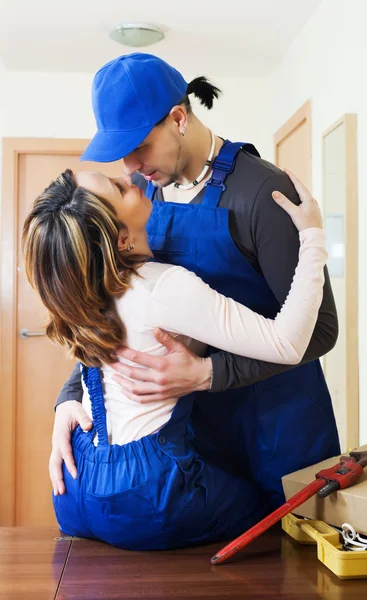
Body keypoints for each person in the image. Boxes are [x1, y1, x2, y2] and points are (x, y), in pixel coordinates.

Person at [53, 53, 340, 510]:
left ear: (178, 119)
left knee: (288, 568)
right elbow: (113, 305)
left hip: (275, 422)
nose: (129, 166)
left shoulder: (263, 194)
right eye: (121, 153)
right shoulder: (140, 196)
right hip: (190, 440)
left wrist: (208, 374)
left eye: (139, 146)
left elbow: (322, 331)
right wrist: (70, 398)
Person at [24, 166, 327, 550]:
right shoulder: (164, 287)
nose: (131, 179)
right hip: (143, 493)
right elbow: (289, 343)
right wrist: (313, 236)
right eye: (120, 189)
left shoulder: (83, 288)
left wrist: (66, 401)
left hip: (74, 482)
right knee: (266, 514)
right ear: (119, 239)